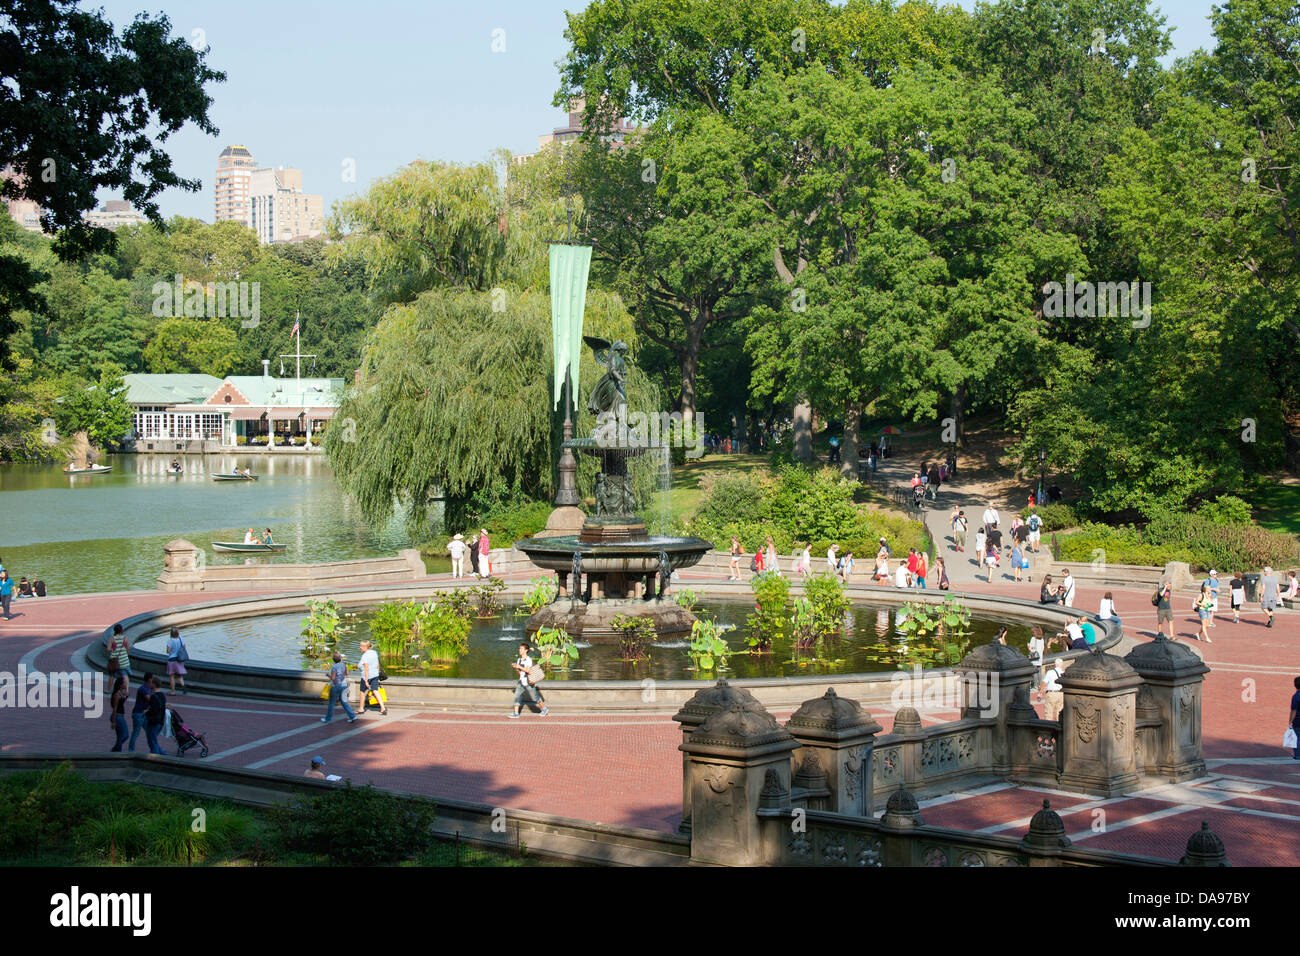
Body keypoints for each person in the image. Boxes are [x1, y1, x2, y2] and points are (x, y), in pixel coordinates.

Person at [509, 642, 547, 718]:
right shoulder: (519, 660)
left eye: (521, 649)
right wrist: (516, 668)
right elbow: (520, 671)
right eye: (519, 648)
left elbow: (528, 671)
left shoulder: (528, 659)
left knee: (535, 697)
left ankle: (544, 709)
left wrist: (519, 667)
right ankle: (516, 713)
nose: (519, 650)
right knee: (517, 696)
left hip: (528, 682)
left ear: (526, 650)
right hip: (521, 682)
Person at [321, 651, 358, 724]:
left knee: (331, 703)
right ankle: (352, 716)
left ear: (333, 660)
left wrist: (328, 675)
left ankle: (328, 719)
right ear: (341, 658)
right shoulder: (344, 664)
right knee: (344, 702)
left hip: (336, 686)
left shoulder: (334, 667)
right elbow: (347, 673)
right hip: (344, 685)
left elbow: (333, 678)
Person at [358, 640, 387, 715]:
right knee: (375, 690)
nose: (360, 648)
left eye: (361, 646)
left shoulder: (365, 656)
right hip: (375, 675)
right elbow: (377, 663)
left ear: (365, 647)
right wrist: (377, 672)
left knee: (362, 692)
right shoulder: (374, 653)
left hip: (366, 676)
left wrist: (366, 680)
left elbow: (366, 669)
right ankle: (383, 708)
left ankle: (361, 709)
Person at [129, 672, 154, 751]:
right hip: (138, 714)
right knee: (136, 733)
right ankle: (131, 750)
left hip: (144, 714)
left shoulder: (149, 688)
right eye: (153, 678)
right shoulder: (143, 688)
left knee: (149, 732)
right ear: (149, 679)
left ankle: (154, 749)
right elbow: (150, 699)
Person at [144, 676, 167, 755]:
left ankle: (155, 759)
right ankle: (164, 756)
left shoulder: (153, 696)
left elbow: (153, 710)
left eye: (151, 683)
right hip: (160, 722)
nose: (150, 684)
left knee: (152, 742)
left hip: (153, 722)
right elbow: (162, 709)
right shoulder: (162, 695)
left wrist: (146, 712)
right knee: (154, 741)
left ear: (154, 684)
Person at [106, 623, 131, 689]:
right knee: (125, 676)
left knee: (112, 676)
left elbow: (108, 649)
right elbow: (128, 648)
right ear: (121, 630)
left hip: (114, 661)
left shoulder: (112, 638)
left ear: (115, 630)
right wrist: (127, 655)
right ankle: (126, 690)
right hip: (124, 660)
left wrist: (113, 649)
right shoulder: (125, 638)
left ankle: (108, 689)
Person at [109, 673, 130, 752]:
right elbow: (115, 708)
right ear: (121, 685)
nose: (126, 684)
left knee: (121, 736)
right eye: (124, 683)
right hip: (117, 717)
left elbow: (121, 703)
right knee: (124, 735)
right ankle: (115, 750)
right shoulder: (117, 694)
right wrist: (113, 722)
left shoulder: (121, 693)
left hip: (120, 716)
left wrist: (126, 696)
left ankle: (116, 751)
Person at [164, 626, 187, 694]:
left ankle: (173, 691)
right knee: (179, 675)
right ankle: (183, 686)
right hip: (179, 659)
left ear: (171, 633)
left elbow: (168, 651)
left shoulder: (170, 640)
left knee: (171, 676)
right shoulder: (181, 639)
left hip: (172, 659)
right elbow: (184, 647)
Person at [1289, 676, 1300, 760]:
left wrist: (1290, 722)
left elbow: (1293, 711)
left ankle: (1298, 755)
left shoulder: (1296, 696)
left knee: (1297, 739)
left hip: (1298, 721)